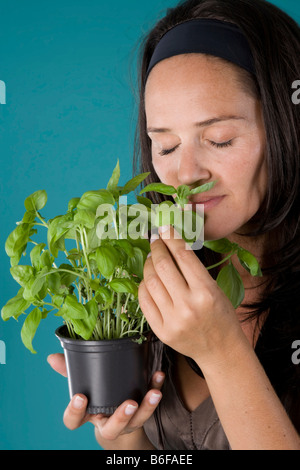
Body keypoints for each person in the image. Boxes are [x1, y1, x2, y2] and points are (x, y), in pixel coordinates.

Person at [48, 0, 300, 450]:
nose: (185, 174)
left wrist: (221, 350)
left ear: (288, 126)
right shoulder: (140, 274)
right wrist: (125, 435)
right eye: (165, 146)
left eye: (219, 139)